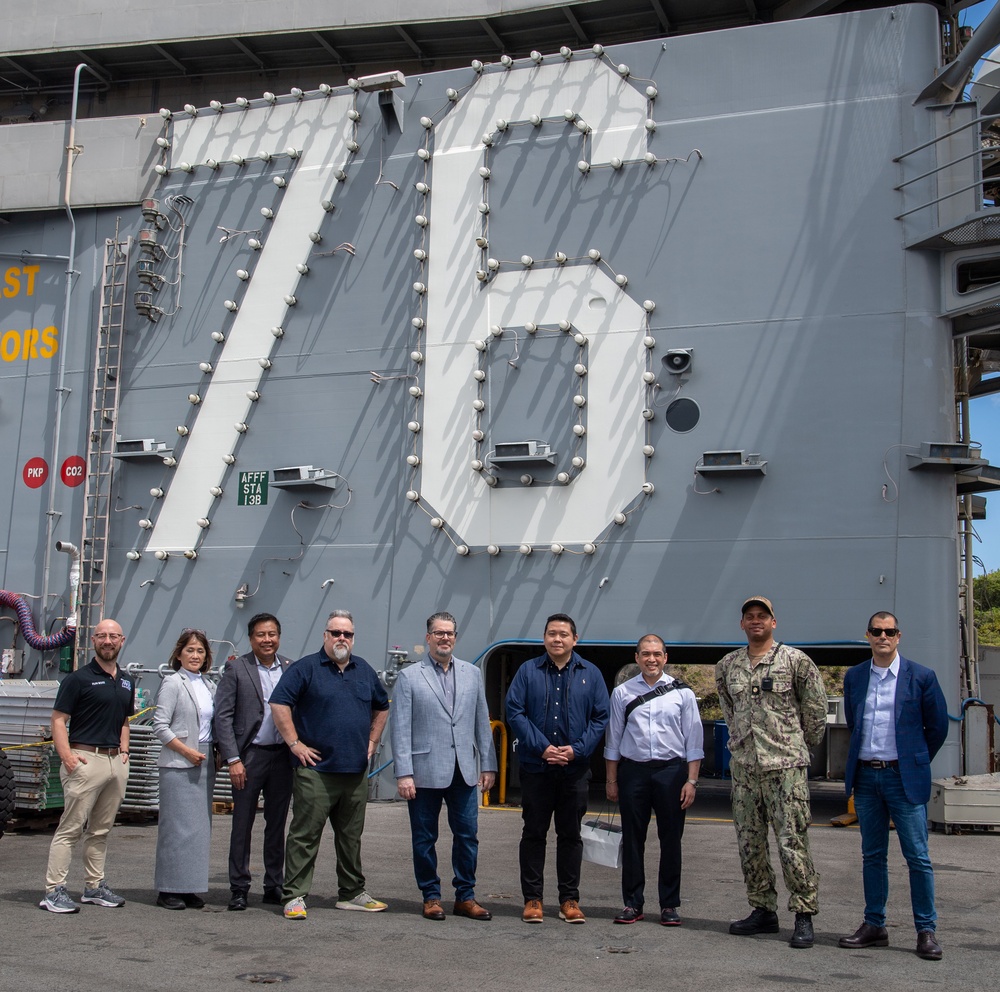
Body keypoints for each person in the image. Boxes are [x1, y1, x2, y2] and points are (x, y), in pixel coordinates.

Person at [715, 596, 827, 949]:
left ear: (773, 622)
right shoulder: (727, 665)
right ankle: (762, 909)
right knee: (750, 843)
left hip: (786, 769)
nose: (756, 621)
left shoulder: (795, 661)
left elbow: (816, 714)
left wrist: (794, 747)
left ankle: (803, 914)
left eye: (762, 616)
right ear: (742, 624)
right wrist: (742, 745)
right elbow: (729, 711)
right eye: (749, 616)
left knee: (792, 842)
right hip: (745, 769)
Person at [838, 612, 949, 961]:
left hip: (904, 777)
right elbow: (854, 723)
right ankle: (875, 925)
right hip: (867, 778)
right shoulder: (855, 677)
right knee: (872, 855)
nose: (882, 636)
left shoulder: (922, 677)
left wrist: (914, 759)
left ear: (899, 636)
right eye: (876, 631)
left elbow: (938, 727)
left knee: (917, 857)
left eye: (889, 631)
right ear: (868, 635)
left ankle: (926, 931)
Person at [269, 609, 390, 920]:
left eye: (347, 634)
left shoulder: (364, 670)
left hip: (354, 773)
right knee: (305, 835)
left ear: (353, 638)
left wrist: (372, 742)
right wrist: (295, 744)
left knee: (351, 837)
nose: (341, 638)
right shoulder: (305, 669)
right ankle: (294, 895)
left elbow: (382, 706)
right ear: (325, 636)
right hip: (316, 772)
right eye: (335, 632)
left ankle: (351, 893)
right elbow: (279, 703)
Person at [391, 611, 498, 921]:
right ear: (428, 638)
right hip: (423, 772)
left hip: (463, 770)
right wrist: (404, 773)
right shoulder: (410, 677)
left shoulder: (472, 674)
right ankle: (431, 896)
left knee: (468, 836)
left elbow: (481, 721)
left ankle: (465, 896)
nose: (444, 638)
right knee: (424, 838)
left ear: (455, 637)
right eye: (438, 633)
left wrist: (487, 765)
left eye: (449, 633)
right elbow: (400, 728)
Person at [505, 613, 610, 924]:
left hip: (574, 771)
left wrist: (576, 751)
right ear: (544, 638)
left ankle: (569, 900)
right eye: (552, 633)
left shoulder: (590, 674)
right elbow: (515, 711)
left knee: (570, 836)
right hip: (537, 768)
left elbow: (600, 718)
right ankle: (533, 899)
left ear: (574, 639)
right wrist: (543, 748)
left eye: (564, 634)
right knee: (534, 834)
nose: (557, 639)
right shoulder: (528, 671)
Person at [605, 634, 703, 926]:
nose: (651, 659)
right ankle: (632, 903)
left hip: (672, 773)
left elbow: (694, 740)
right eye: (645, 654)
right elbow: (613, 739)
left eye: (657, 654)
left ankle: (670, 905)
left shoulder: (682, 693)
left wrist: (692, 781)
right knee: (633, 840)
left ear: (665, 657)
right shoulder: (622, 693)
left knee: (671, 839)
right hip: (633, 772)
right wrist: (611, 780)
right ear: (636, 658)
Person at [39, 619, 134, 913]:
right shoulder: (78, 679)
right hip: (85, 759)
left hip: (114, 761)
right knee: (70, 829)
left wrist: (125, 750)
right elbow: (58, 719)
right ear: (93, 640)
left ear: (122, 640)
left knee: (101, 830)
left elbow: (124, 720)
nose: (108, 641)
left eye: (113, 636)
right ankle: (53, 890)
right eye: (102, 636)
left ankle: (94, 887)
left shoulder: (127, 680)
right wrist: (67, 757)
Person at [214, 612, 294, 911]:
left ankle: (274, 884)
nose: (267, 639)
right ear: (251, 638)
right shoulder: (237, 668)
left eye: (272, 634)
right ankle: (239, 887)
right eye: (261, 634)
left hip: (282, 758)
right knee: (242, 824)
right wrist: (233, 758)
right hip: (249, 757)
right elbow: (223, 716)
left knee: (276, 824)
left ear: (278, 636)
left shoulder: (290, 668)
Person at [152, 629, 217, 910]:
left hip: (205, 759)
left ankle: (189, 886)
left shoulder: (209, 685)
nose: (195, 656)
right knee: (176, 828)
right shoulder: (172, 683)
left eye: (200, 651)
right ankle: (168, 888)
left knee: (198, 829)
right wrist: (186, 750)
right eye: (190, 650)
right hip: (179, 762)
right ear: (179, 654)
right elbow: (159, 725)